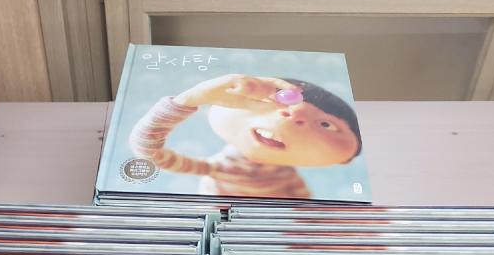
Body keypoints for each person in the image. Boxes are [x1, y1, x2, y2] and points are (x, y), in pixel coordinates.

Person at [129, 75, 362, 199]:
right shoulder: (217, 168)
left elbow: (302, 202)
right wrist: (189, 99)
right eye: (278, 99)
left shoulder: (287, 176)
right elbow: (150, 154)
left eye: (325, 124)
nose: (294, 115)